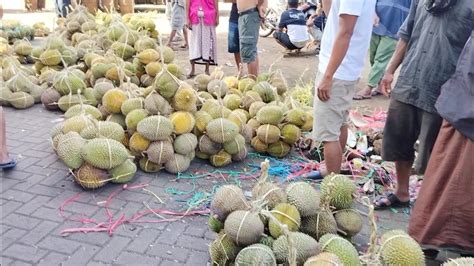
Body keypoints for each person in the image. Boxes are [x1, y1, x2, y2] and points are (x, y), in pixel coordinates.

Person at [374, 0, 473, 209]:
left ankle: (428, 203)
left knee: (433, 152)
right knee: (398, 140)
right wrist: (390, 71)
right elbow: (406, 34)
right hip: (410, 79)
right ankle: (401, 193)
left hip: (442, 88)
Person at [408, 32, 474, 258]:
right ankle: (430, 242)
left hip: (462, 107)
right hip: (466, 112)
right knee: (451, 184)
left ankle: (433, 242)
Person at [312, 0, 376, 176]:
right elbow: (330, 12)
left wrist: (328, 76)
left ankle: (332, 184)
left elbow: (346, 32)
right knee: (339, 124)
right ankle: (333, 169)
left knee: (328, 135)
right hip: (343, 69)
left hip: (338, 71)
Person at [353, 0, 411, 100]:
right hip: (377, 24)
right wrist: (373, 13)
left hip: (395, 28)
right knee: (373, 57)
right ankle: (380, 85)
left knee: (380, 59)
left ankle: (368, 88)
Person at [186, 0, 219, 77]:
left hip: (209, 16)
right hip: (194, 16)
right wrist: (187, 18)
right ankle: (192, 70)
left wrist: (217, 16)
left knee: (207, 44)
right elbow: (187, 1)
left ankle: (207, 70)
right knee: (194, 44)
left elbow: (215, 1)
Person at [236, 0, 267, 78]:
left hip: (249, 13)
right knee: (251, 50)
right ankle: (254, 81)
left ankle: (252, 83)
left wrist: (260, 5)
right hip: (248, 13)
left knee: (248, 51)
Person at [228, 1, 242, 72]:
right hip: (234, 17)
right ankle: (240, 71)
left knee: (249, 48)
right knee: (235, 47)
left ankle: (252, 74)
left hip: (249, 17)